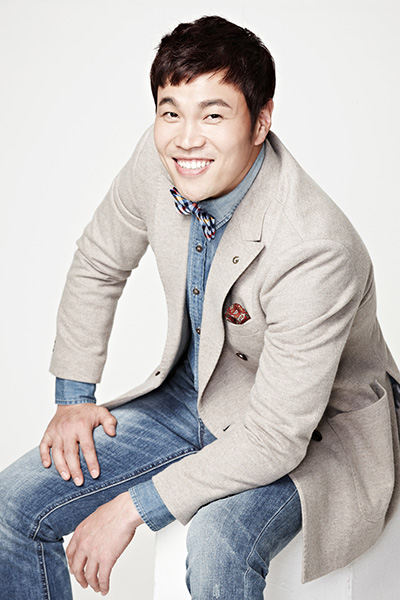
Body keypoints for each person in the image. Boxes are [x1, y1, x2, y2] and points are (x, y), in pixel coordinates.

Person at [0, 14, 399, 600]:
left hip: (315, 431)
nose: (186, 139)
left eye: (213, 115)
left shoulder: (314, 245)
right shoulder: (161, 159)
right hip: (194, 393)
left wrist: (130, 509)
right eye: (171, 112)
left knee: (216, 543)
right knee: (13, 506)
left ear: (261, 121)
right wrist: (73, 398)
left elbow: (276, 436)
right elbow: (99, 261)